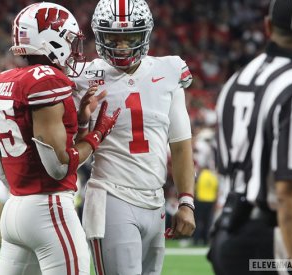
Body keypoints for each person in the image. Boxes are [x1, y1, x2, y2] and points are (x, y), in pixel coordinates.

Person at [0, 2, 119, 275]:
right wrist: (97, 134)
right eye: (69, 40)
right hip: (48, 208)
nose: (72, 49)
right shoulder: (47, 80)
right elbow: (59, 165)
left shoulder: (4, 80)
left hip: (14, 208)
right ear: (50, 39)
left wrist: (81, 121)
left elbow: (2, 162)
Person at [208, 0, 292, 274]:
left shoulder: (237, 80)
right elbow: (291, 192)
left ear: (268, 26)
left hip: (227, 233)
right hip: (270, 238)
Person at [73, 0, 196, 274]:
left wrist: (186, 201)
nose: (122, 46)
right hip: (111, 195)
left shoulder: (170, 71)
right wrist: (83, 122)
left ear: (146, 34)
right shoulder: (82, 77)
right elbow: (68, 153)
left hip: (156, 200)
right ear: (100, 35)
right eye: (114, 38)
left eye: (130, 37)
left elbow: (181, 143)